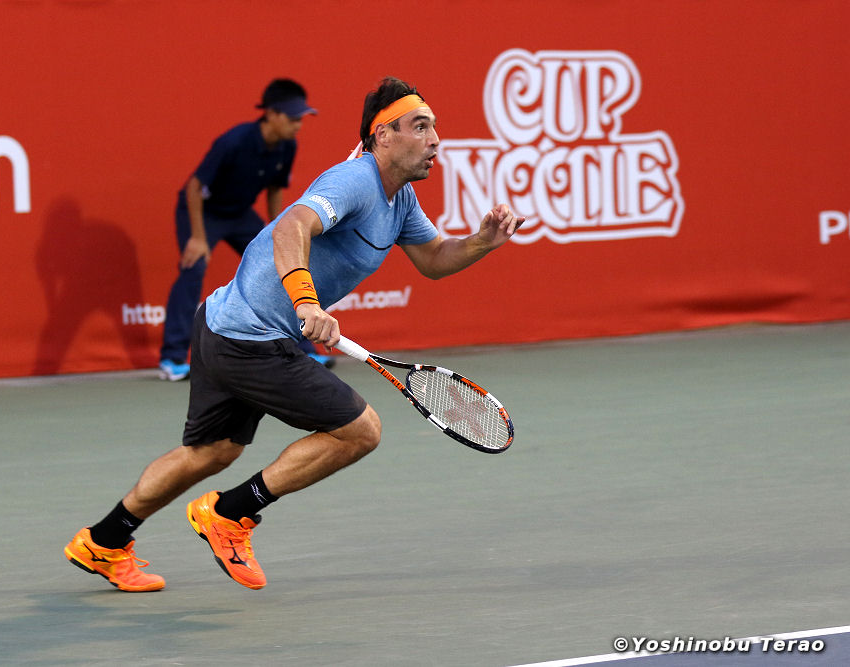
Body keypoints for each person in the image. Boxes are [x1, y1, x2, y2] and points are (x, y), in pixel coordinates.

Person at [64, 76, 524, 592]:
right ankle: (230, 513)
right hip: (252, 338)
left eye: (434, 127)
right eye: (421, 127)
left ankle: (102, 542)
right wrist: (307, 301)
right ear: (383, 135)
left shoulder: (402, 201)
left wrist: (483, 241)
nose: (435, 139)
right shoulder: (354, 181)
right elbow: (291, 226)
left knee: (211, 452)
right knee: (360, 431)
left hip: (220, 322)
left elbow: (435, 259)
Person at [158, 78, 331, 381]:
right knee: (194, 267)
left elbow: (274, 189)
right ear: (271, 114)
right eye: (292, 118)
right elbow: (195, 188)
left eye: (301, 119)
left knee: (282, 266)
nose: (298, 125)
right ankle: (171, 358)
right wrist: (198, 238)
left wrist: (280, 231)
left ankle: (302, 348)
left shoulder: (287, 146)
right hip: (203, 212)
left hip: (239, 214)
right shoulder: (234, 142)